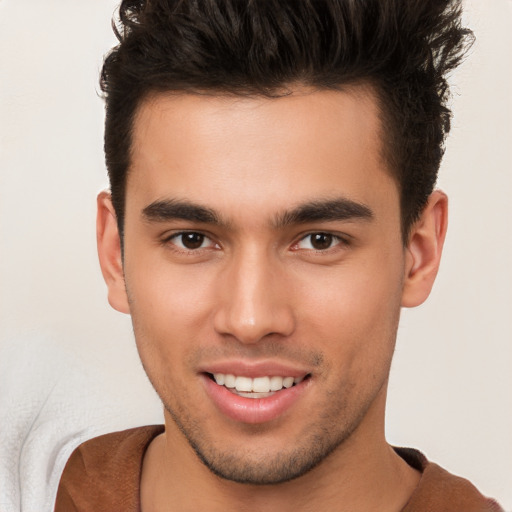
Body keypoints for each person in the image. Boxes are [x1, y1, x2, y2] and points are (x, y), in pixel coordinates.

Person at [53, 0, 504, 510]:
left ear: (418, 254)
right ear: (116, 254)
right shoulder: (36, 489)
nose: (250, 319)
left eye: (319, 240)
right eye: (192, 239)